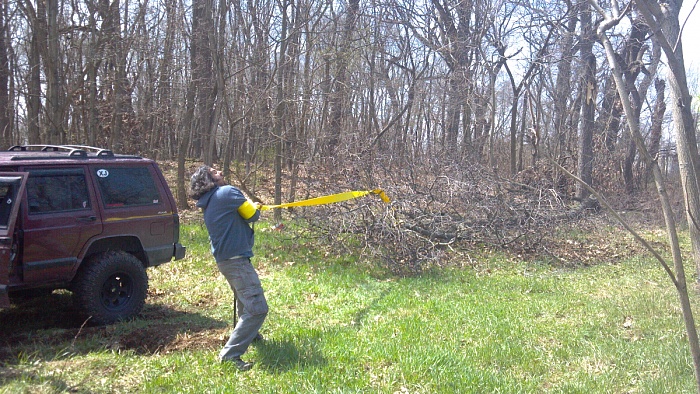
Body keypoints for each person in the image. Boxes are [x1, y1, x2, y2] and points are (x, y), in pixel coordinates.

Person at [189, 165, 268, 371]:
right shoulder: (227, 192)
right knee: (257, 308)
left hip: (225, 260)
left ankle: (251, 335)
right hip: (236, 260)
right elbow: (252, 216)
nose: (220, 172)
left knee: (245, 301)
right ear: (208, 180)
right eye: (214, 172)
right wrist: (253, 205)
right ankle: (230, 355)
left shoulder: (209, 201)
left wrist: (249, 205)